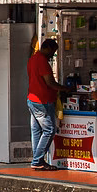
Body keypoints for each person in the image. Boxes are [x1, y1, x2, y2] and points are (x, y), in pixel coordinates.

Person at [28, 38, 66, 171]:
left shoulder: (32, 59)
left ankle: (38, 160)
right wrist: (65, 89)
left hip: (32, 100)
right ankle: (37, 160)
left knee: (37, 131)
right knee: (49, 130)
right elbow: (50, 83)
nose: (53, 55)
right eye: (53, 51)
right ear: (48, 48)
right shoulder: (42, 62)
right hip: (42, 101)